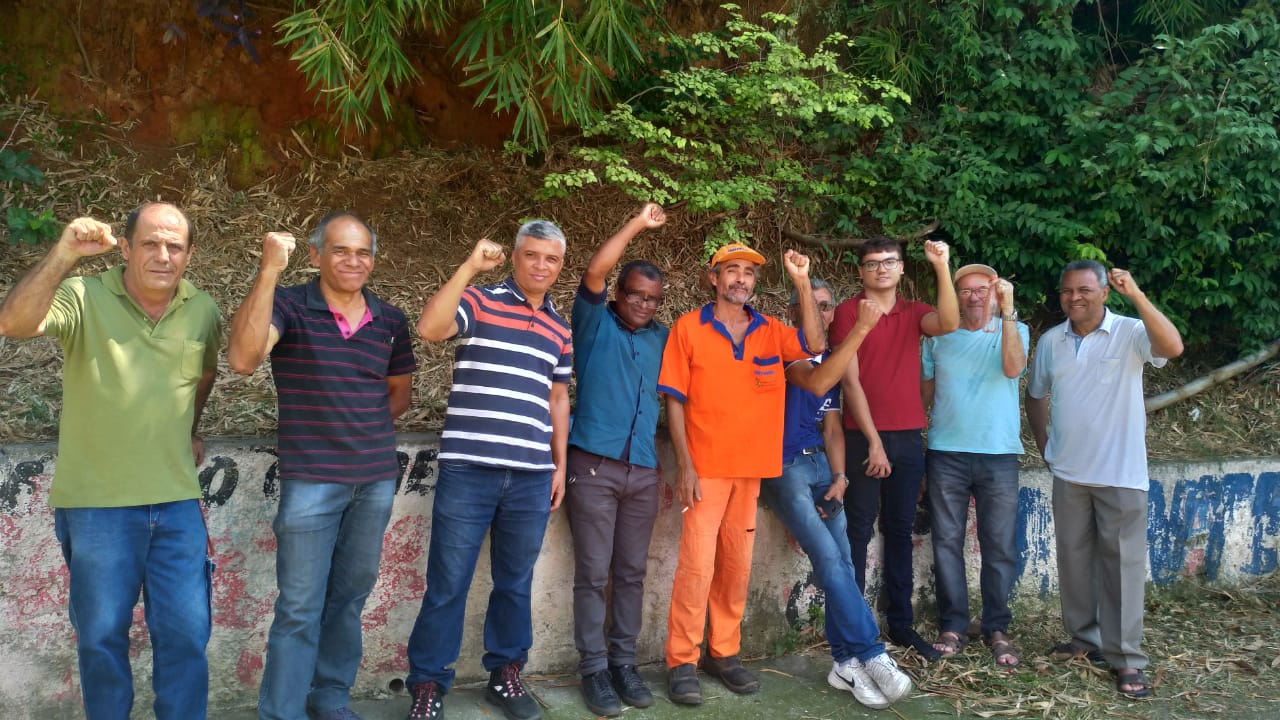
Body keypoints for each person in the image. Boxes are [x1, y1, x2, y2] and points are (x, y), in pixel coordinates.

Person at [0, 204, 220, 719]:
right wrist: (64, 254)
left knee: (187, 637)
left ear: (189, 254)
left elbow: (203, 376)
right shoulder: (84, 296)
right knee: (101, 639)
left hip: (177, 504)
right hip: (97, 507)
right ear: (125, 247)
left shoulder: (203, 309)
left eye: (174, 246)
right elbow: (13, 322)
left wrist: (188, 429)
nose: (162, 255)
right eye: (150, 243)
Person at [226, 212, 417, 720]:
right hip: (311, 481)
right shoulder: (289, 305)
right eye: (340, 250)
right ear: (315, 255)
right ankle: (282, 712)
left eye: (363, 252)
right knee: (299, 607)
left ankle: (330, 698)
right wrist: (269, 271)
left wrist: (358, 427)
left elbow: (399, 393)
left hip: (374, 480)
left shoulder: (390, 320)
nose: (353, 261)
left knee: (350, 597)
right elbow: (243, 359)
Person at [404, 221, 573, 720]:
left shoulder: (560, 327)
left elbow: (558, 398)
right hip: (469, 470)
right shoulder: (480, 301)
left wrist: (559, 465)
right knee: (447, 584)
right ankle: (428, 684)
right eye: (531, 255)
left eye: (551, 259)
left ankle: (505, 674)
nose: (540, 266)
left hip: (531, 475)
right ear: (515, 257)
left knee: (515, 583)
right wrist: (470, 267)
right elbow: (430, 328)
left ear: (560, 266)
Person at [658, 242, 826, 705]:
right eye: (731, 270)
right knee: (696, 567)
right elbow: (674, 400)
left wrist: (801, 282)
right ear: (713, 278)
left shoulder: (770, 330)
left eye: (748, 273)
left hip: (751, 472)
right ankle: (681, 660)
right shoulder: (688, 328)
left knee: (735, 566)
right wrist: (685, 466)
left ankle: (724, 652)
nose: (740, 279)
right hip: (705, 470)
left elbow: (815, 344)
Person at [1026, 260, 1183, 699]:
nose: (1074, 298)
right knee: (1074, 562)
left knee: (1122, 567)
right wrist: (1045, 446)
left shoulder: (1131, 331)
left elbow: (1172, 347)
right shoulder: (1052, 341)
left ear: (1104, 293)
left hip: (1121, 473)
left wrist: (1138, 295)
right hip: (1069, 473)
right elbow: (1036, 395)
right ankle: (1084, 639)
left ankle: (1127, 658)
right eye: (1067, 291)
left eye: (1084, 290)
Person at [760, 279, 916, 709]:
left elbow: (832, 426)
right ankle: (870, 652)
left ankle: (844, 662)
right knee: (828, 559)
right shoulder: (783, 351)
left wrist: (841, 476)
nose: (821, 313)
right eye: (811, 305)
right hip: (785, 467)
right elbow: (816, 384)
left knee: (844, 561)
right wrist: (860, 331)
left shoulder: (833, 356)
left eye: (826, 306)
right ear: (793, 311)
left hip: (822, 467)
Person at [828, 236, 958, 661]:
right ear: (860, 271)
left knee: (900, 530)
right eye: (872, 263)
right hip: (861, 436)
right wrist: (873, 442)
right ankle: (854, 628)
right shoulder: (849, 312)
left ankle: (901, 623)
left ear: (901, 268)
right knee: (858, 529)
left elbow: (950, 322)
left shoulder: (914, 312)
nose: (881, 268)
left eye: (889, 262)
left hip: (907, 436)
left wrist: (941, 266)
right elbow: (850, 382)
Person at [564, 204, 667, 717]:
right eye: (634, 295)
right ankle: (594, 670)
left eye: (652, 298)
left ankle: (624, 663)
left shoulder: (662, 338)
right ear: (618, 295)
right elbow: (594, 271)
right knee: (592, 572)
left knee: (630, 572)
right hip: (593, 467)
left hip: (643, 470)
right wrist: (636, 224)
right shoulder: (592, 323)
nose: (643, 304)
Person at [920, 263, 1029, 666]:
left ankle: (996, 627)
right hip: (945, 452)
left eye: (982, 289)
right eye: (964, 290)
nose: (973, 296)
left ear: (996, 293)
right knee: (946, 542)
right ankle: (953, 624)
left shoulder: (1014, 329)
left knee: (999, 544)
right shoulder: (937, 337)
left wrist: (1008, 311)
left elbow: (1013, 368)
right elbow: (923, 396)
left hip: (998, 454)